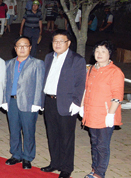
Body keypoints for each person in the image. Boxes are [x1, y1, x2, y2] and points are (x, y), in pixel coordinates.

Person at [40, 30, 86, 178]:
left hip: (66, 103)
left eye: (61, 41)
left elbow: (81, 83)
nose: (58, 44)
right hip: (49, 101)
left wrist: (77, 102)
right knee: (52, 134)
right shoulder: (48, 57)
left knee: (66, 137)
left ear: (68, 43)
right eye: (55, 41)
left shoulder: (76, 59)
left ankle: (66, 168)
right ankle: (55, 163)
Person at [81, 40, 124, 178]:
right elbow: (85, 89)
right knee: (94, 143)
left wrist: (110, 114)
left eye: (103, 51)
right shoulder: (92, 69)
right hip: (91, 113)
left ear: (109, 54)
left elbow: (117, 96)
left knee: (102, 145)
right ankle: (94, 169)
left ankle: (100, 173)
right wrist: (82, 106)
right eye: (97, 50)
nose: (99, 54)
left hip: (105, 114)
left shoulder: (115, 72)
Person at [3, 36, 45, 170]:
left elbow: (40, 84)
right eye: (19, 46)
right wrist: (4, 100)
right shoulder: (8, 63)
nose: (22, 48)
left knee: (28, 131)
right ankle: (16, 154)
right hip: (12, 101)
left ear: (30, 48)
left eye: (25, 45)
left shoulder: (37, 63)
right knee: (14, 130)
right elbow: (4, 84)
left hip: (29, 102)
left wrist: (37, 103)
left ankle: (27, 157)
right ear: (15, 48)